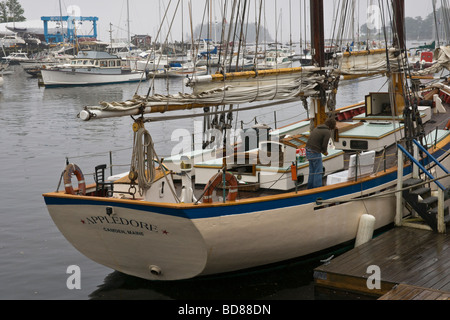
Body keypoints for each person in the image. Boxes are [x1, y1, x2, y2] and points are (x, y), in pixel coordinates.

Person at [305, 118, 337, 189]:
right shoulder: (327, 132)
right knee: (318, 171)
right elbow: (324, 145)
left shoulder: (318, 128)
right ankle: (317, 188)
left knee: (312, 170)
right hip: (315, 152)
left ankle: (310, 188)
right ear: (332, 125)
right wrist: (325, 152)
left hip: (308, 150)